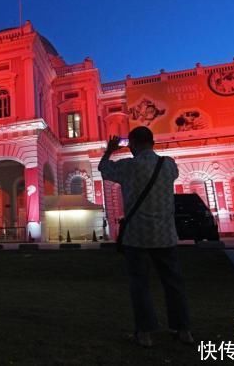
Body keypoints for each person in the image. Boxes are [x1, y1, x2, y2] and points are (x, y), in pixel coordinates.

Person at [98, 126, 193, 348]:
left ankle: (144, 333)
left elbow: (104, 169)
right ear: (152, 142)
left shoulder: (128, 167)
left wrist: (109, 150)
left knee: (140, 285)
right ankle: (183, 330)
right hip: (165, 235)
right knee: (174, 284)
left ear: (133, 144)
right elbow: (175, 175)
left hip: (137, 236)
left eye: (130, 144)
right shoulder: (168, 165)